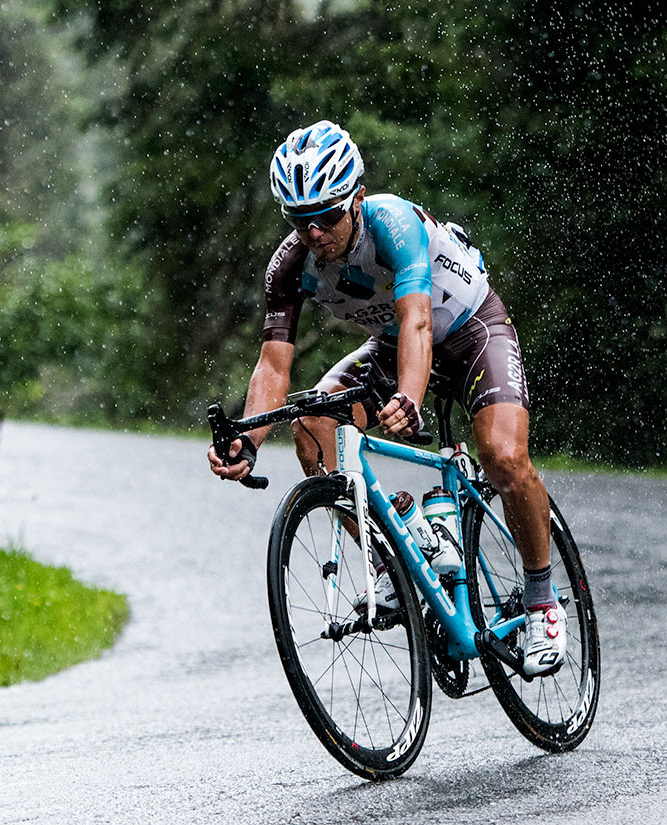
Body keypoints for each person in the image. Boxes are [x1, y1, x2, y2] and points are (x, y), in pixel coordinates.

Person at [207, 120, 568, 677]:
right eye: (300, 221)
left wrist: (409, 396)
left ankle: (543, 599)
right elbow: (274, 363)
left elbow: (418, 321)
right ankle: (394, 563)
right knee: (311, 424)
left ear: (355, 198)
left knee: (501, 455)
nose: (315, 232)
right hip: (394, 343)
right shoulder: (290, 265)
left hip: (468, 329)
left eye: (327, 215)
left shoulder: (393, 223)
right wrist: (248, 440)